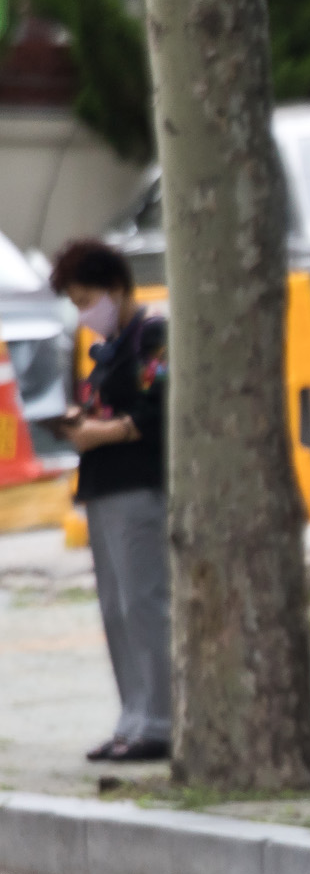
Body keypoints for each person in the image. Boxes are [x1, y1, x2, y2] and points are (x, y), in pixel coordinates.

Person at [48, 239, 171, 763]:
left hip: (137, 485)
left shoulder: (151, 336)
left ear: (115, 289)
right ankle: (133, 715)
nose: (84, 314)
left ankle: (162, 719)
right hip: (102, 487)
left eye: (85, 300)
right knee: (117, 609)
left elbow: (155, 410)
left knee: (144, 603)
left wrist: (106, 432)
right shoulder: (107, 348)